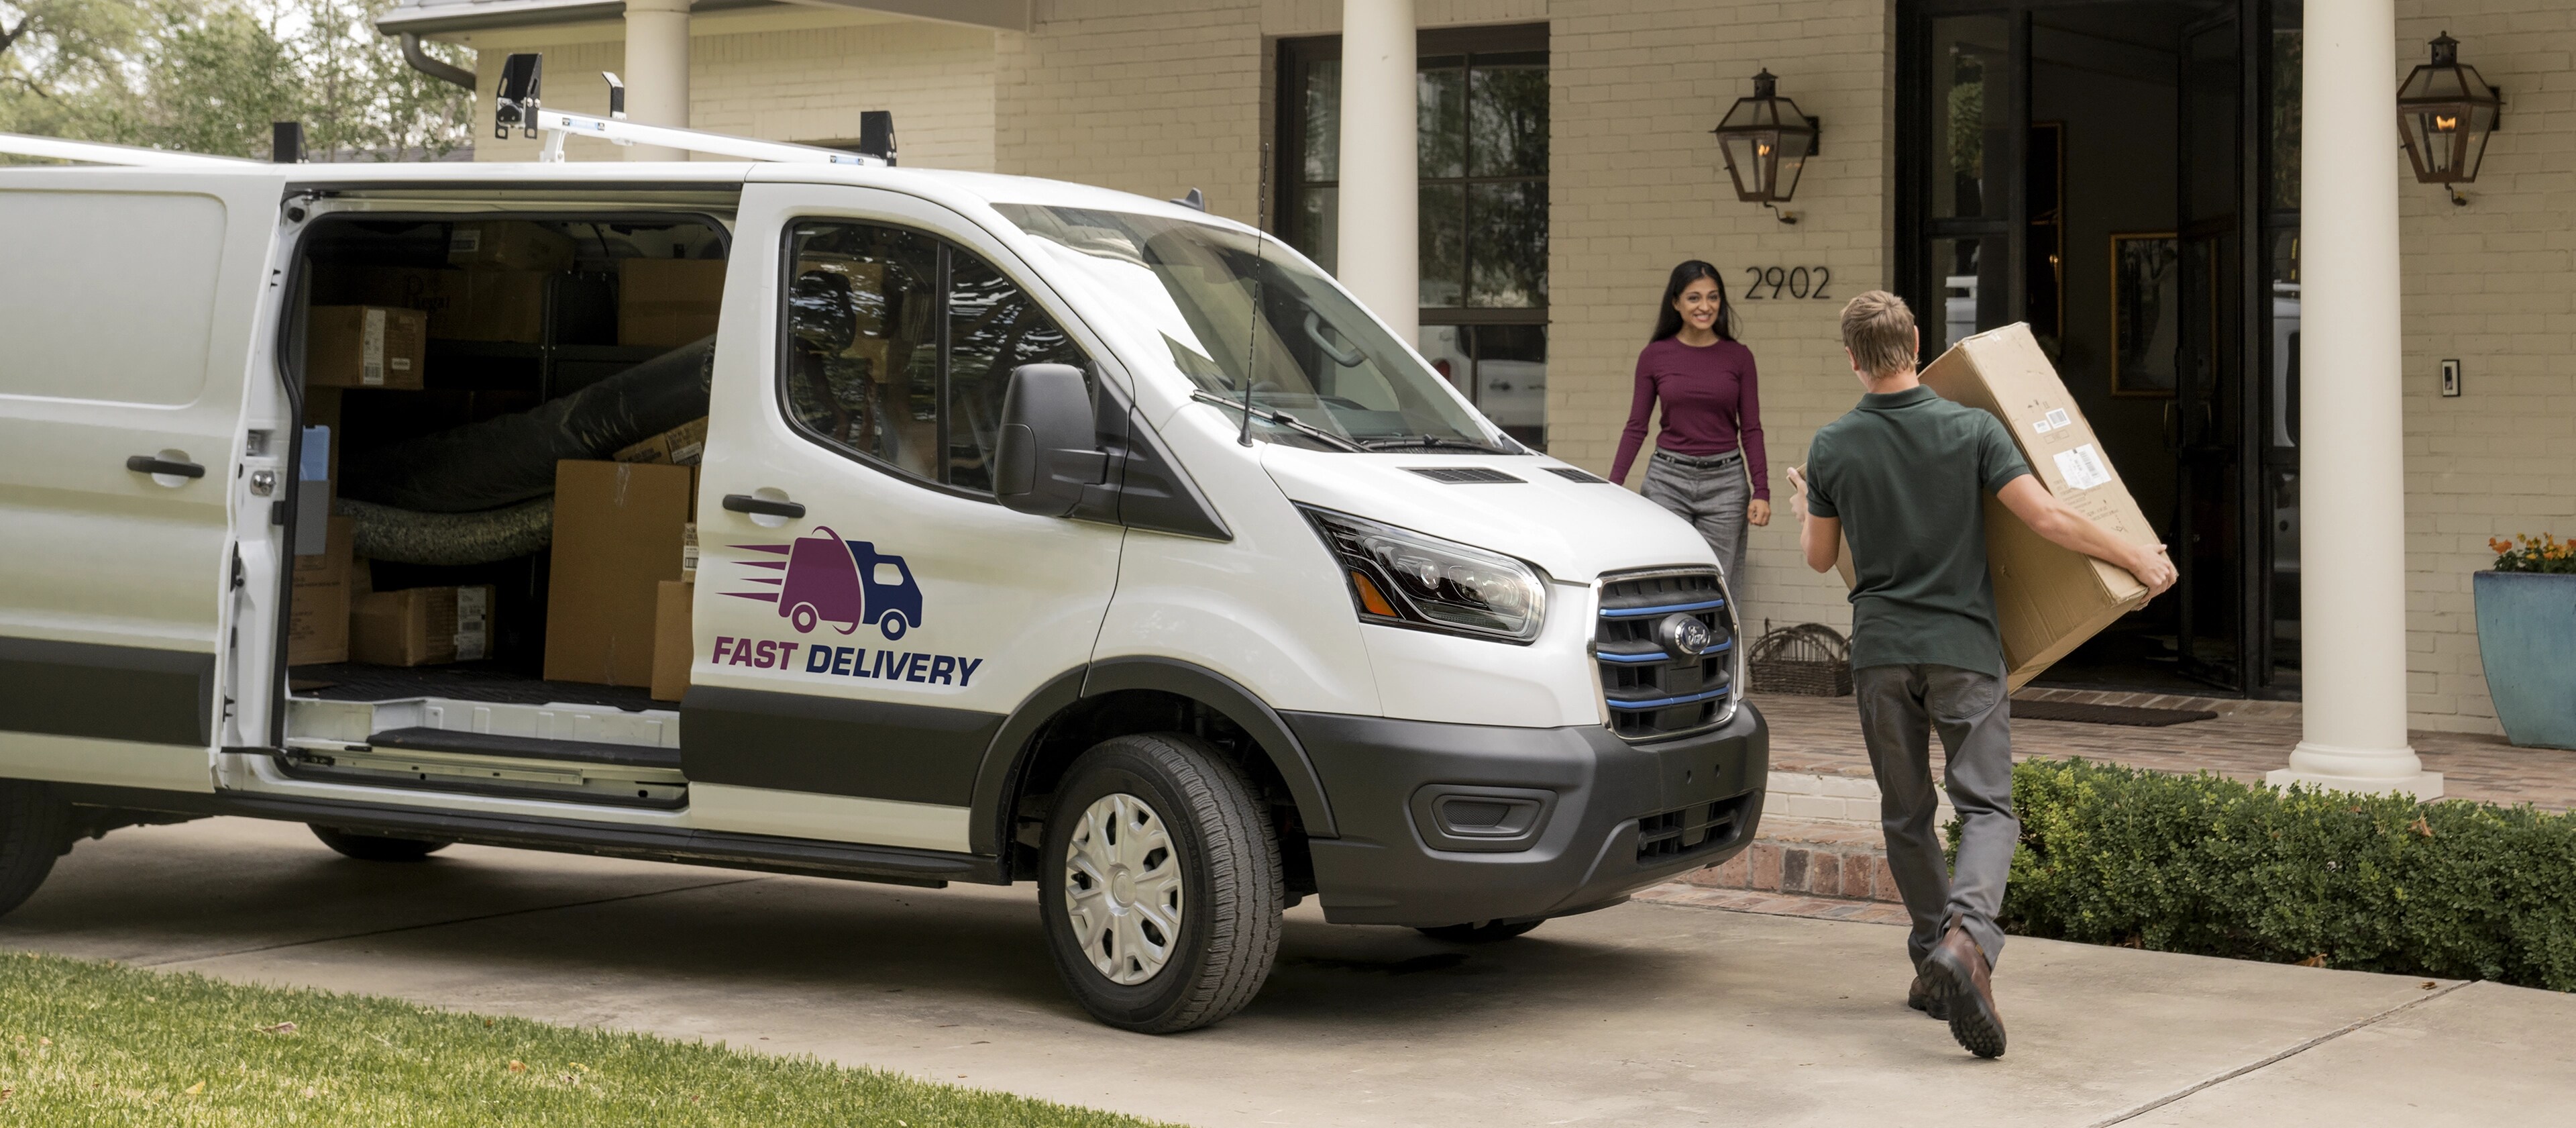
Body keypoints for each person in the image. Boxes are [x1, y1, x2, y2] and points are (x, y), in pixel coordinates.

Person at [1787, 291, 2175, 1059]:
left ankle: (1936, 960)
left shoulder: (1833, 445)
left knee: (1906, 813)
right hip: (1963, 647)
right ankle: (1968, 941)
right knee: (1988, 808)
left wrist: (1807, 504)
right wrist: (2137, 556)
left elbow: (1821, 558)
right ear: (1917, 344)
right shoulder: (1970, 428)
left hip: (1880, 653)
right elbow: (2049, 519)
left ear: (1853, 359)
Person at [1609, 261, 1768, 587]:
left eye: (1713, 297)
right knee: (1665, 581)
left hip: (1726, 485)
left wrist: (1761, 491)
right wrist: (1613, 485)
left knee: (1716, 586)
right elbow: (1636, 425)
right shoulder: (1654, 356)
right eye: (1694, 298)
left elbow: (1751, 428)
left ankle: (1714, 641)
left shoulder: (1739, 357)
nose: (1705, 307)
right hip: (1667, 482)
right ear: (1676, 302)